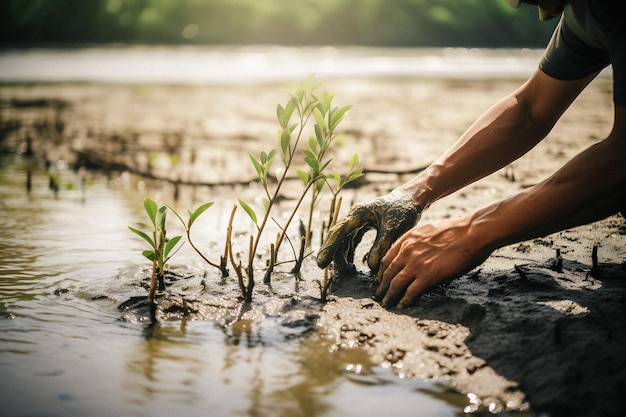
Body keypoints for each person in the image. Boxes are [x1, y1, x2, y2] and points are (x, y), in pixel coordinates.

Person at [316, 0, 626, 309]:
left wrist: (471, 234)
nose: (530, 11)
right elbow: (531, 109)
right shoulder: (587, 11)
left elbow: (621, 160)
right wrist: (413, 194)